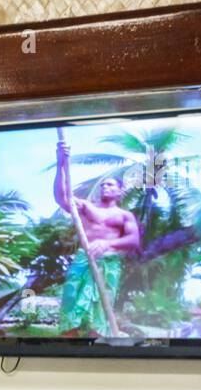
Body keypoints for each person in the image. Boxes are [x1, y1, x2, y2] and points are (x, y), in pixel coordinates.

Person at [53, 139, 141, 335]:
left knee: (101, 310)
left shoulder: (125, 216)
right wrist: (60, 163)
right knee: (70, 306)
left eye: (110, 186)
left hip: (109, 266)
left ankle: (96, 347)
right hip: (83, 262)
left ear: (120, 192)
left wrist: (107, 243)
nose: (105, 188)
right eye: (103, 186)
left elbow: (133, 241)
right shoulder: (86, 207)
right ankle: (68, 349)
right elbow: (62, 197)